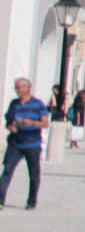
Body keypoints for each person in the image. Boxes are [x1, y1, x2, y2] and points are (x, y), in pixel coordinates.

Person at [1, 78, 49, 209]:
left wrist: (32, 123)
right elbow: (8, 121)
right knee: (6, 171)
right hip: (16, 143)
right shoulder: (14, 104)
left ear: (27, 88)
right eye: (16, 88)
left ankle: (32, 201)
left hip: (32, 144)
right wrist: (10, 127)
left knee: (33, 175)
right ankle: (0, 200)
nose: (16, 90)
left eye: (18, 88)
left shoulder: (38, 104)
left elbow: (45, 123)